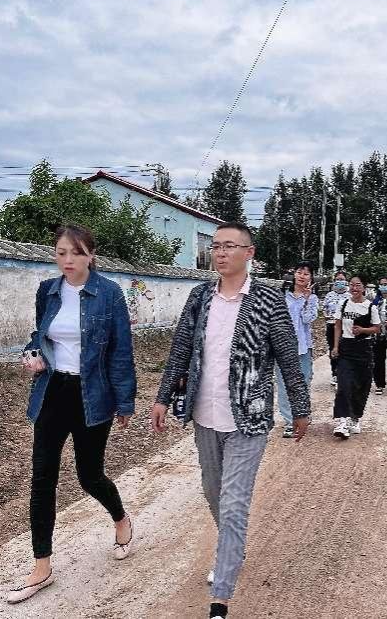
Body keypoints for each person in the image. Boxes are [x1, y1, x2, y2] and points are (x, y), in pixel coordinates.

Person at [151, 222, 310, 619]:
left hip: (248, 419)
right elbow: (180, 349)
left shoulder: (269, 300)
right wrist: (163, 397)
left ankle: (220, 599)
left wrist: (300, 406)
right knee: (214, 493)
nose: (220, 253)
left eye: (229, 246)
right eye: (216, 246)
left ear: (249, 253)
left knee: (234, 504)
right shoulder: (200, 296)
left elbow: (288, 357)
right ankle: (232, 548)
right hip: (205, 416)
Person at [9, 224, 135, 604]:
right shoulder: (47, 290)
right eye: (61, 252)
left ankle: (121, 518)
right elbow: (40, 335)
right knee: (42, 476)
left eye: (76, 253)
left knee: (89, 476)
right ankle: (42, 566)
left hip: (92, 394)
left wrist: (124, 401)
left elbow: (121, 350)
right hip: (53, 391)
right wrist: (32, 354)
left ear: (90, 256)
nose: (68, 260)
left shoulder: (109, 293)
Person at [331, 274, 380, 438]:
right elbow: (337, 326)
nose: (354, 288)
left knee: (361, 385)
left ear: (364, 287)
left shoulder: (370, 307)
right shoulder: (343, 304)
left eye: (358, 285)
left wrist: (363, 330)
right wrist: (336, 346)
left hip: (364, 349)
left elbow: (377, 328)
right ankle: (342, 421)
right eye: (351, 285)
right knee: (344, 384)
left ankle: (355, 418)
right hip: (346, 348)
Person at [276, 261, 319, 438]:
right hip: (283, 347)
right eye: (299, 272)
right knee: (283, 384)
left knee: (303, 382)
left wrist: (307, 300)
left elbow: (308, 319)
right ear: (294, 274)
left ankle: (302, 414)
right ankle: (289, 421)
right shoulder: (282, 296)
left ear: (311, 278)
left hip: (303, 347)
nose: (302, 276)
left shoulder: (313, 299)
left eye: (306, 273)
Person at [321, 270, 350, 386]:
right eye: (338, 280)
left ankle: (345, 373)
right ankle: (335, 373)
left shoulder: (350, 296)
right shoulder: (329, 295)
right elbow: (324, 309)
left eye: (342, 279)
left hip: (345, 327)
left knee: (345, 349)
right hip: (331, 325)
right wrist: (326, 315)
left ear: (346, 281)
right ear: (334, 281)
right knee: (333, 349)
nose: (340, 281)